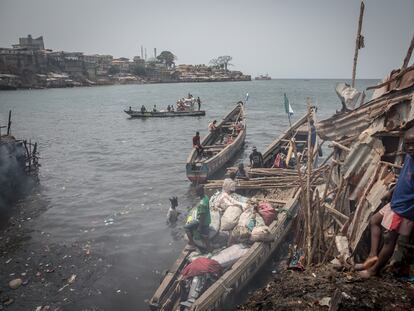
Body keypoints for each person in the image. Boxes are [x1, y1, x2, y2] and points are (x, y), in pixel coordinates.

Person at [357, 127, 414, 278]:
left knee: (390, 240)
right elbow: (403, 179)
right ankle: (372, 256)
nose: (411, 148)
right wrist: (391, 192)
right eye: (407, 144)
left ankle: (373, 271)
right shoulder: (409, 157)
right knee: (374, 221)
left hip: (402, 209)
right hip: (396, 203)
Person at [184, 185, 211, 251]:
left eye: (197, 192)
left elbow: (202, 216)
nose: (196, 193)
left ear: (201, 191)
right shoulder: (206, 197)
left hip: (202, 222)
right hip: (207, 220)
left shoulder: (202, 204)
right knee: (205, 237)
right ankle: (209, 249)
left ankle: (192, 244)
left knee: (186, 227)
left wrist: (199, 227)